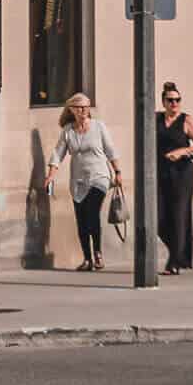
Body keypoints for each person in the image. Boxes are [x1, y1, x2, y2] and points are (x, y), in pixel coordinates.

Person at [39, 92, 121, 272]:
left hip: (99, 177)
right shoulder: (68, 131)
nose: (84, 110)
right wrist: (50, 175)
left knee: (92, 213)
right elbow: (57, 154)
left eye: (87, 107)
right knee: (82, 220)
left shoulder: (99, 127)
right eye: (80, 107)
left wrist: (118, 172)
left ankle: (98, 252)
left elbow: (110, 150)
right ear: (72, 110)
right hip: (78, 182)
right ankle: (87, 259)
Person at [157, 83, 193, 275]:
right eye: (170, 100)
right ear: (164, 102)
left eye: (177, 100)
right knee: (159, 217)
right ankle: (177, 252)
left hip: (182, 172)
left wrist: (183, 151)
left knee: (179, 214)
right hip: (161, 172)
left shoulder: (187, 121)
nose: (174, 103)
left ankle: (174, 262)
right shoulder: (156, 119)